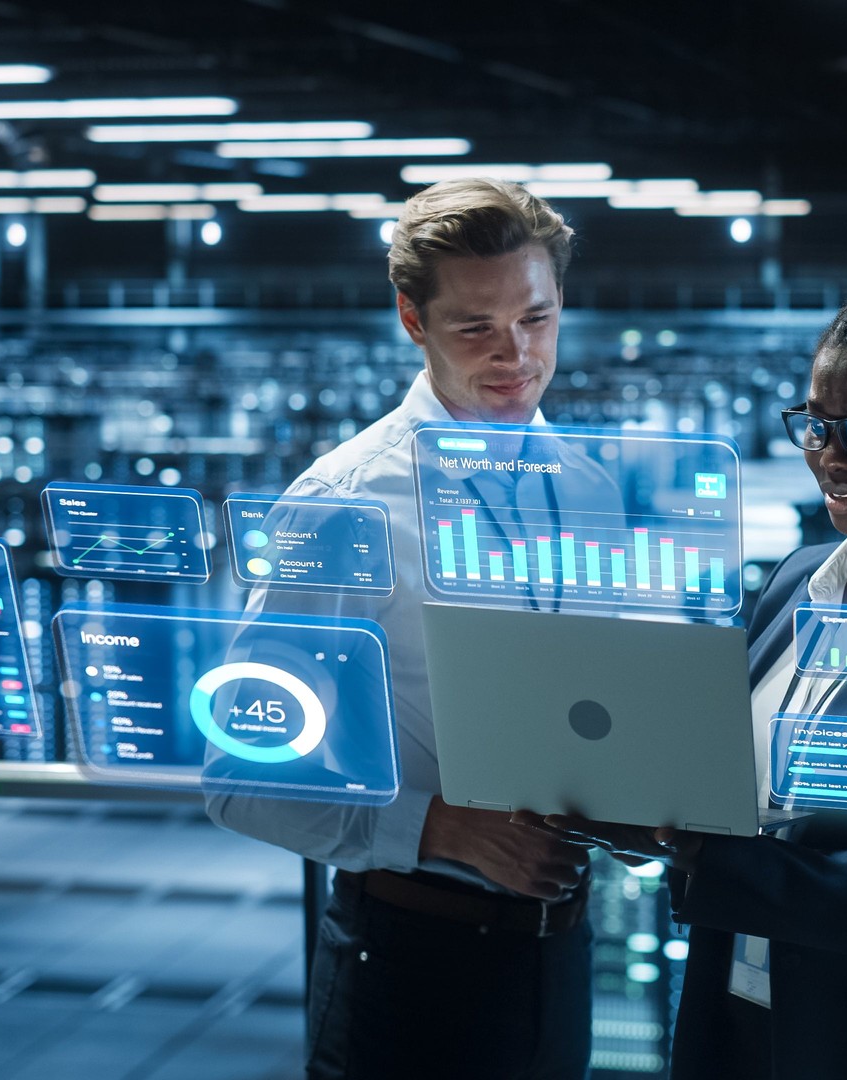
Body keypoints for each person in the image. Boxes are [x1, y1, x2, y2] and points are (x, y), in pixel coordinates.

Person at [531, 284, 847, 1079]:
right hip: (745, 1024)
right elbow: (732, 785)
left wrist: (703, 857)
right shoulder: (796, 581)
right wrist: (646, 807)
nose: (830, 458)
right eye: (816, 425)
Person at [205, 177, 597, 1080]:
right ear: (412, 322)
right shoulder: (345, 506)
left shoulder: (585, 483)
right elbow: (238, 775)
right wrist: (442, 829)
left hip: (557, 957)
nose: (516, 355)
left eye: (536, 319)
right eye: (475, 328)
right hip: (414, 963)